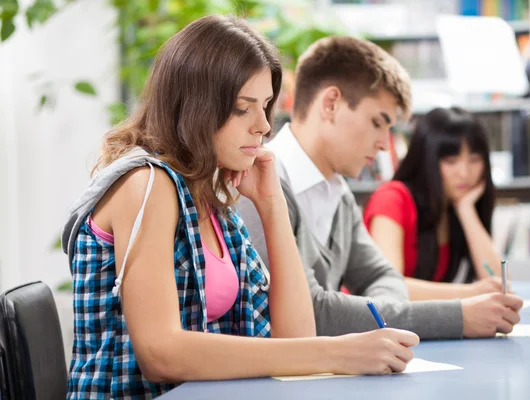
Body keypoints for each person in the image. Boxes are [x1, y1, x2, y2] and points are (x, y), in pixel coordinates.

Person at [61, 16, 418, 399]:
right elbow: (160, 353)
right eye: (242, 108)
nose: (264, 125)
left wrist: (271, 204)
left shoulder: (211, 194)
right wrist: (337, 353)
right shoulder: (147, 183)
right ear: (195, 106)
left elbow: (296, 336)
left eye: (265, 106)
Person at [236, 36, 523, 341]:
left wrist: (380, 313)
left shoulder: (338, 192)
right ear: (331, 104)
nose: (384, 145)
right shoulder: (260, 185)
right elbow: (311, 312)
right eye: (377, 122)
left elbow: (382, 276)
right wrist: (457, 317)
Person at [364, 107, 506, 301]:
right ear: (426, 160)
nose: (464, 173)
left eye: (474, 160)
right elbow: (389, 288)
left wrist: (466, 210)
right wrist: (473, 293)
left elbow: (498, 282)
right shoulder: (392, 198)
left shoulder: (452, 207)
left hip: (413, 326)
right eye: (451, 161)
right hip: (369, 326)